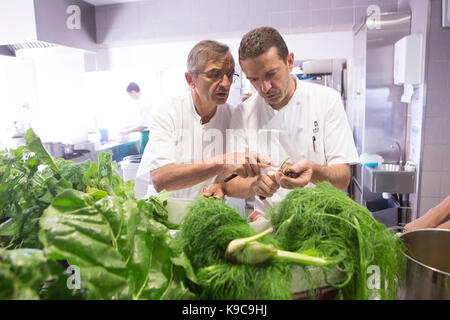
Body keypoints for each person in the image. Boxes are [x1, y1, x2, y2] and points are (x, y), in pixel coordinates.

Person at [203, 27, 359, 229]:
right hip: (270, 223)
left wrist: (315, 171)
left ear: (290, 62)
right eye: (254, 80)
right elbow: (229, 182)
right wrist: (254, 185)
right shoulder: (243, 113)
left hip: (321, 220)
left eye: (271, 74)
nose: (264, 88)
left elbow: (343, 178)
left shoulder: (326, 100)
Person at [136, 40, 273, 200]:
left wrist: (259, 182)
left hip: (206, 214)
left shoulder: (232, 116)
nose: (226, 83)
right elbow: (161, 179)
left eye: (229, 75)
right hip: (164, 213)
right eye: (215, 75)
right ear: (190, 80)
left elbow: (232, 180)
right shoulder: (168, 111)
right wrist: (225, 161)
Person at [120, 82, 152, 154]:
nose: (130, 97)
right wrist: (129, 126)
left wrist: (128, 131)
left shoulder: (145, 103)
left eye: (129, 95)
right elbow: (143, 122)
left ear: (133, 92)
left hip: (148, 136)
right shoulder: (143, 101)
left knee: (146, 159)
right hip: (146, 135)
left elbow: (145, 125)